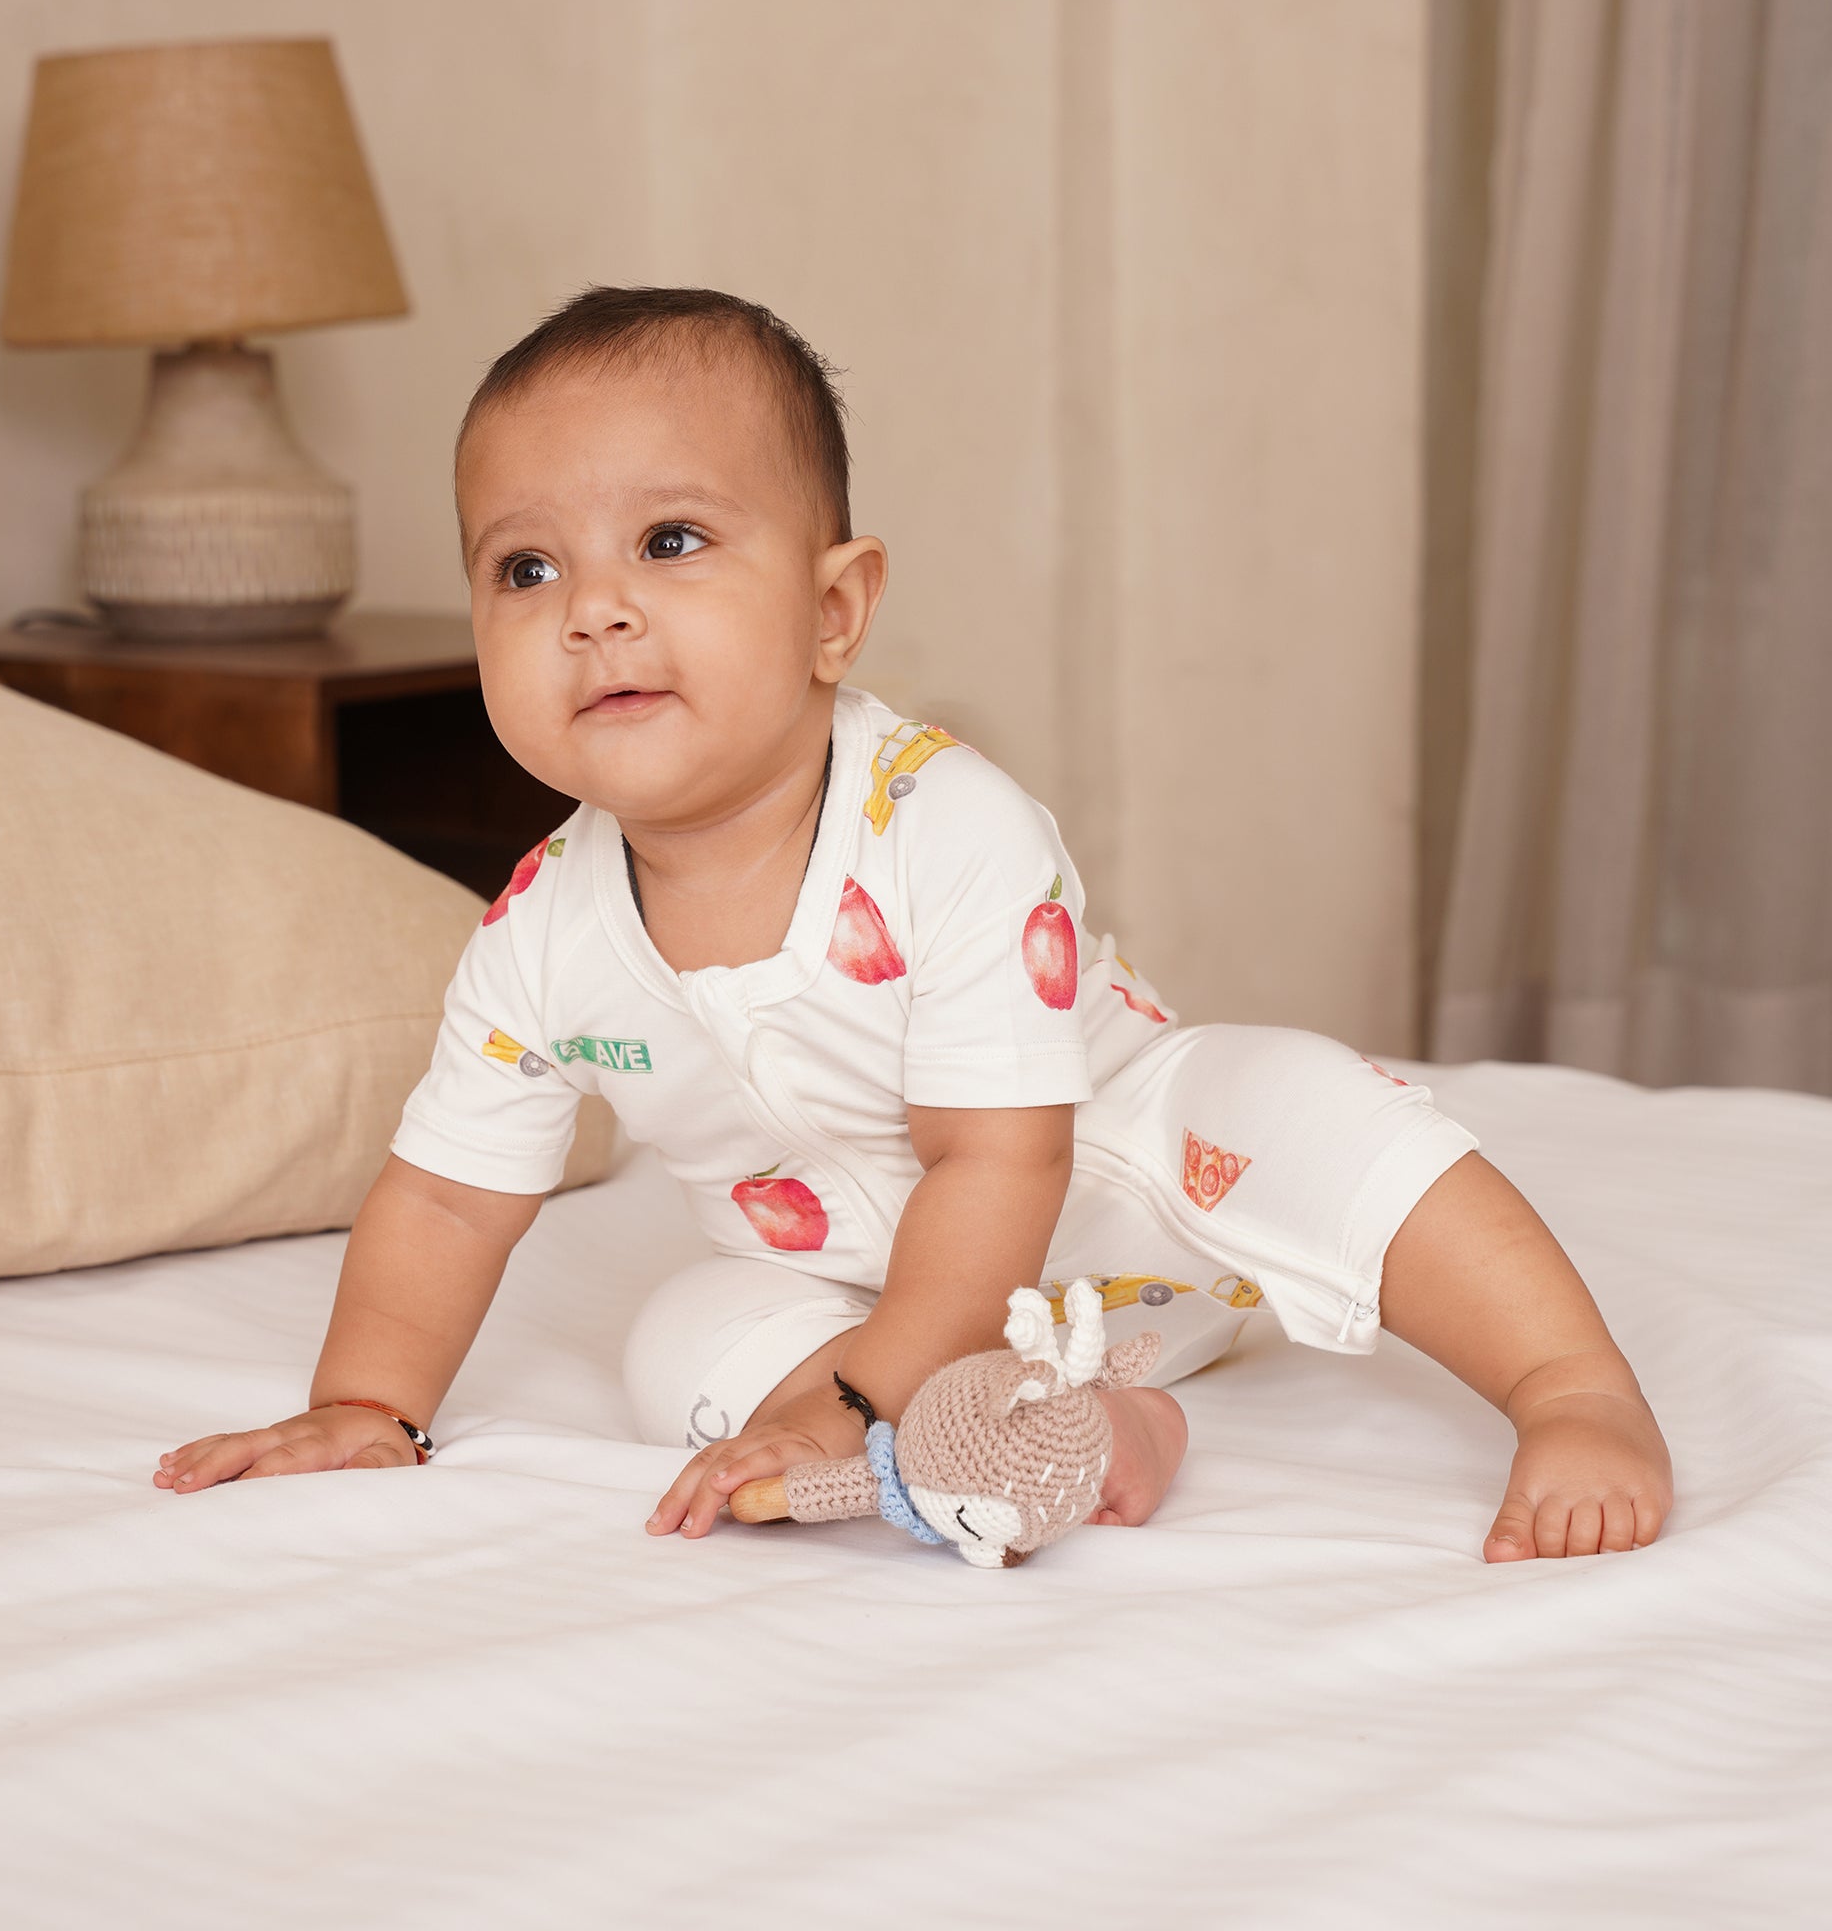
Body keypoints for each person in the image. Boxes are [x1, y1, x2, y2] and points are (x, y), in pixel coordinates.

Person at [154, 287, 1672, 1561]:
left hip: (1123, 1205)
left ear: (833, 611)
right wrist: (368, 1405)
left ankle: (1569, 1382)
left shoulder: (946, 827)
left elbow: (1000, 1154)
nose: (592, 609)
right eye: (526, 566)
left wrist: (863, 1391)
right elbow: (441, 1203)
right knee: (673, 1342)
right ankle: (1067, 1436)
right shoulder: (541, 933)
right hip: (868, 1283)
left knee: (1296, 1100)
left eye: (670, 541)